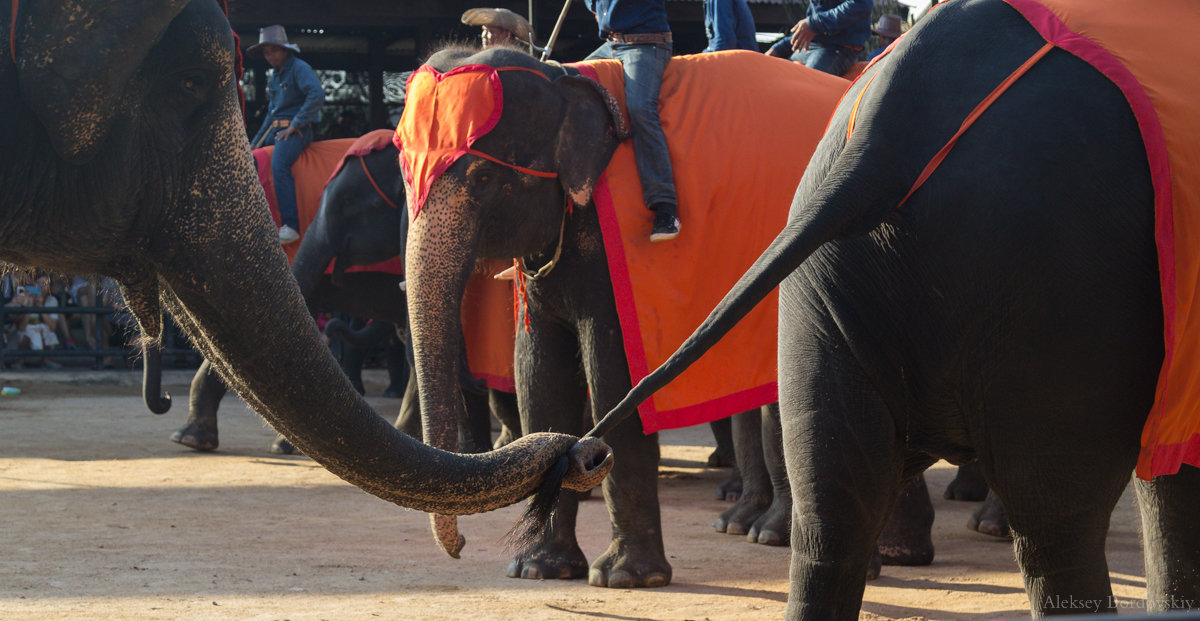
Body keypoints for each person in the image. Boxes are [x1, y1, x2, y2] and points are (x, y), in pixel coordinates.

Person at [584, 0, 681, 241]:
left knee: (640, 108)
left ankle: (666, 209)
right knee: (568, 86)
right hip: (612, 44)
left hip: (647, 43)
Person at [247, 25, 326, 245]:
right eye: (266, 52)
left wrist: (296, 124)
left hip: (298, 131)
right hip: (277, 129)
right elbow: (272, 114)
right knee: (253, 160)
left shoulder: (299, 68)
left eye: (273, 50)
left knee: (279, 164)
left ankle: (291, 225)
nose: (269, 55)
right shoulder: (275, 76)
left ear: (284, 50)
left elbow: (317, 94)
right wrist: (254, 143)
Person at [765, 0, 873, 77]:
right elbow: (809, 27)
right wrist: (779, 48)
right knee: (774, 75)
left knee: (806, 86)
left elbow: (862, 5)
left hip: (837, 49)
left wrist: (814, 24)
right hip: (814, 46)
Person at [461, 7, 535, 51]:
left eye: (490, 31)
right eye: (484, 30)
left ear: (507, 36)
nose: (484, 35)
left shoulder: (517, 62)